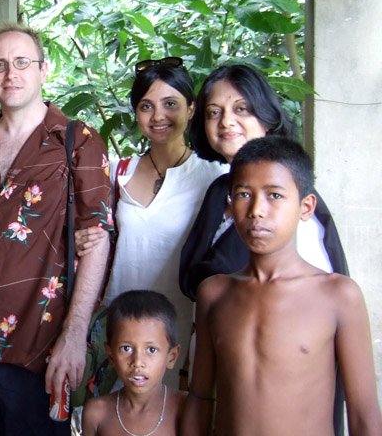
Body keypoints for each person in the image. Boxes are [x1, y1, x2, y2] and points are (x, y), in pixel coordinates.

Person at [0, 24, 113, 435]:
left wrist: (74, 336)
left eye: (21, 63)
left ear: (43, 70)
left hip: (40, 343)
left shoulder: (79, 141)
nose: (10, 74)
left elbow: (96, 241)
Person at [181, 136, 382, 435]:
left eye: (274, 195)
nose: (256, 210)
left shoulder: (338, 296)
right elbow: (200, 399)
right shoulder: (214, 294)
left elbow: (364, 415)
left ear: (306, 206)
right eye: (243, 194)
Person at [76, 57, 225, 388]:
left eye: (170, 104)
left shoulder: (215, 178)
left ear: (191, 108)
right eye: (146, 106)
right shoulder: (115, 172)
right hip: (115, 334)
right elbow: (90, 236)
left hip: (179, 337)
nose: (158, 116)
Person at [179, 64, 349, 301]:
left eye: (242, 109)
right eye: (214, 112)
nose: (226, 121)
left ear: (266, 118)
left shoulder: (289, 199)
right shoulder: (219, 191)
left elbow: (315, 298)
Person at [82, 290, 186, 436]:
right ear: (111, 355)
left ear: (171, 357)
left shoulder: (185, 409)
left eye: (151, 349)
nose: (137, 362)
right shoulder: (96, 413)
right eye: (126, 348)